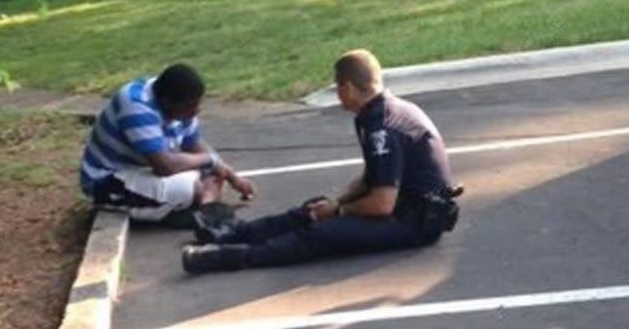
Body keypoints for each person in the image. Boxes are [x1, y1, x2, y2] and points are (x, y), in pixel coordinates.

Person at [182, 49, 462, 273]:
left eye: (338, 87)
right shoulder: (381, 111)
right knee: (311, 210)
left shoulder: (382, 126)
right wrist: (336, 204)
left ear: (349, 88)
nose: (337, 93)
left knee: (322, 233)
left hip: (413, 222)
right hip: (400, 206)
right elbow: (373, 176)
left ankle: (226, 257)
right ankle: (231, 235)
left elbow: (381, 203)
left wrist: (338, 213)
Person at [79, 63, 255, 225]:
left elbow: (192, 143)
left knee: (214, 175)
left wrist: (231, 176)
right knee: (189, 187)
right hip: (109, 179)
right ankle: (191, 211)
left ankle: (202, 209)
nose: (196, 111)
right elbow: (165, 166)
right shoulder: (137, 106)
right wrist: (210, 161)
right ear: (166, 102)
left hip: (141, 170)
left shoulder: (175, 101)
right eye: (190, 106)